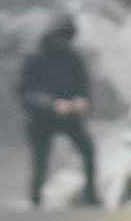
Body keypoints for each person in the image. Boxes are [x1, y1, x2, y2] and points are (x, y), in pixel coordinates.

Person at [18, 13, 100, 207]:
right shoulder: (34, 57)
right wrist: (51, 104)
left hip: (69, 116)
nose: (64, 43)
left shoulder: (73, 58)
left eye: (68, 39)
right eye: (61, 38)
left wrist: (82, 100)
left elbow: (83, 85)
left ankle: (91, 195)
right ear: (52, 35)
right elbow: (25, 93)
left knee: (88, 150)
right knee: (40, 161)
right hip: (41, 118)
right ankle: (35, 200)